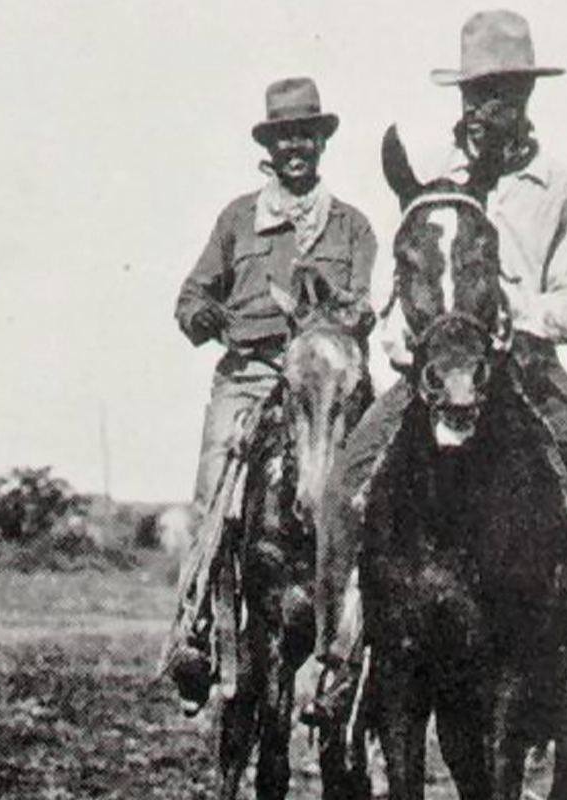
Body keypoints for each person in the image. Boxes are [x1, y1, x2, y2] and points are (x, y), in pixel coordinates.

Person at [304, 8, 567, 727]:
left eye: (502, 92)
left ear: (527, 97)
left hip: (528, 367)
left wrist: (513, 320)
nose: (486, 109)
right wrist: (407, 349)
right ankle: (338, 658)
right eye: (475, 94)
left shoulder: (562, 191)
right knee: (345, 484)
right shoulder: (432, 188)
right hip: (434, 374)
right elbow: (399, 296)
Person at [162, 77, 376, 715]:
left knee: (375, 490)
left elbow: (363, 304)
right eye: (285, 136)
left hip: (328, 377)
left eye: (307, 134)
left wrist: (332, 315)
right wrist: (210, 319)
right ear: (271, 144)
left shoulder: (353, 227)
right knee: (215, 494)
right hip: (253, 375)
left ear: (321, 142)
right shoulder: (237, 219)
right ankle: (194, 631)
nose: (296, 147)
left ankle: (364, 647)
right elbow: (191, 297)